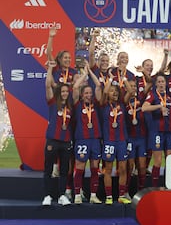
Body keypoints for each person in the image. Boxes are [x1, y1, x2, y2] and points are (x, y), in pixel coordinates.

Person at [71, 63, 103, 204]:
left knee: (95, 168)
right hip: (82, 140)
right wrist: (84, 75)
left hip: (95, 140)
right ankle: (77, 194)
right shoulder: (77, 104)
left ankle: (93, 195)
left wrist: (90, 73)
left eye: (90, 93)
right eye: (86, 93)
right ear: (82, 95)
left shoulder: (96, 104)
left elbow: (98, 86)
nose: (89, 95)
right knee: (80, 167)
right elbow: (75, 87)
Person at [42, 61, 73, 206]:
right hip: (52, 140)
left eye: (67, 91)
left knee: (64, 170)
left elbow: (78, 88)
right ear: (59, 92)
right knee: (48, 169)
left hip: (66, 141)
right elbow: (48, 85)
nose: (65, 93)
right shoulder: (52, 102)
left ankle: (61, 195)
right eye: (63, 91)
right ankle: (47, 196)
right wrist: (49, 68)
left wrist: (84, 74)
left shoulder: (71, 105)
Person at [101, 71, 134, 204]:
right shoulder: (103, 105)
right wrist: (110, 78)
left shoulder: (122, 104)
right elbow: (104, 93)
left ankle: (121, 196)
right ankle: (109, 196)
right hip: (109, 141)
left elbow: (130, 91)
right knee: (108, 169)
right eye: (111, 91)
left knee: (122, 169)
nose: (114, 93)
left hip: (121, 141)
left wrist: (123, 78)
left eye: (116, 91)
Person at [142, 74, 171, 187]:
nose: (161, 84)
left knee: (169, 159)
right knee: (157, 160)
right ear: (156, 84)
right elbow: (144, 107)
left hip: (169, 131)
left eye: (163, 82)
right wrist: (158, 107)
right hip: (157, 131)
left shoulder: (170, 96)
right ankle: (154, 186)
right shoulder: (152, 95)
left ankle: (168, 185)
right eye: (159, 82)